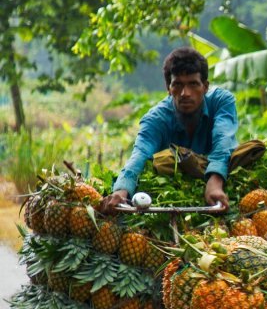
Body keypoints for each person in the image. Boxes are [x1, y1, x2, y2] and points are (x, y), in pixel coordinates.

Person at [100, 47, 237, 214]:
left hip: (220, 187)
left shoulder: (221, 101)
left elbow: (223, 140)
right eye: (177, 85)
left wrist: (214, 181)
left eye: (193, 84)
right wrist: (121, 191)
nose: (185, 93)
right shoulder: (156, 119)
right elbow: (140, 154)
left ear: (205, 86)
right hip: (169, 199)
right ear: (168, 88)